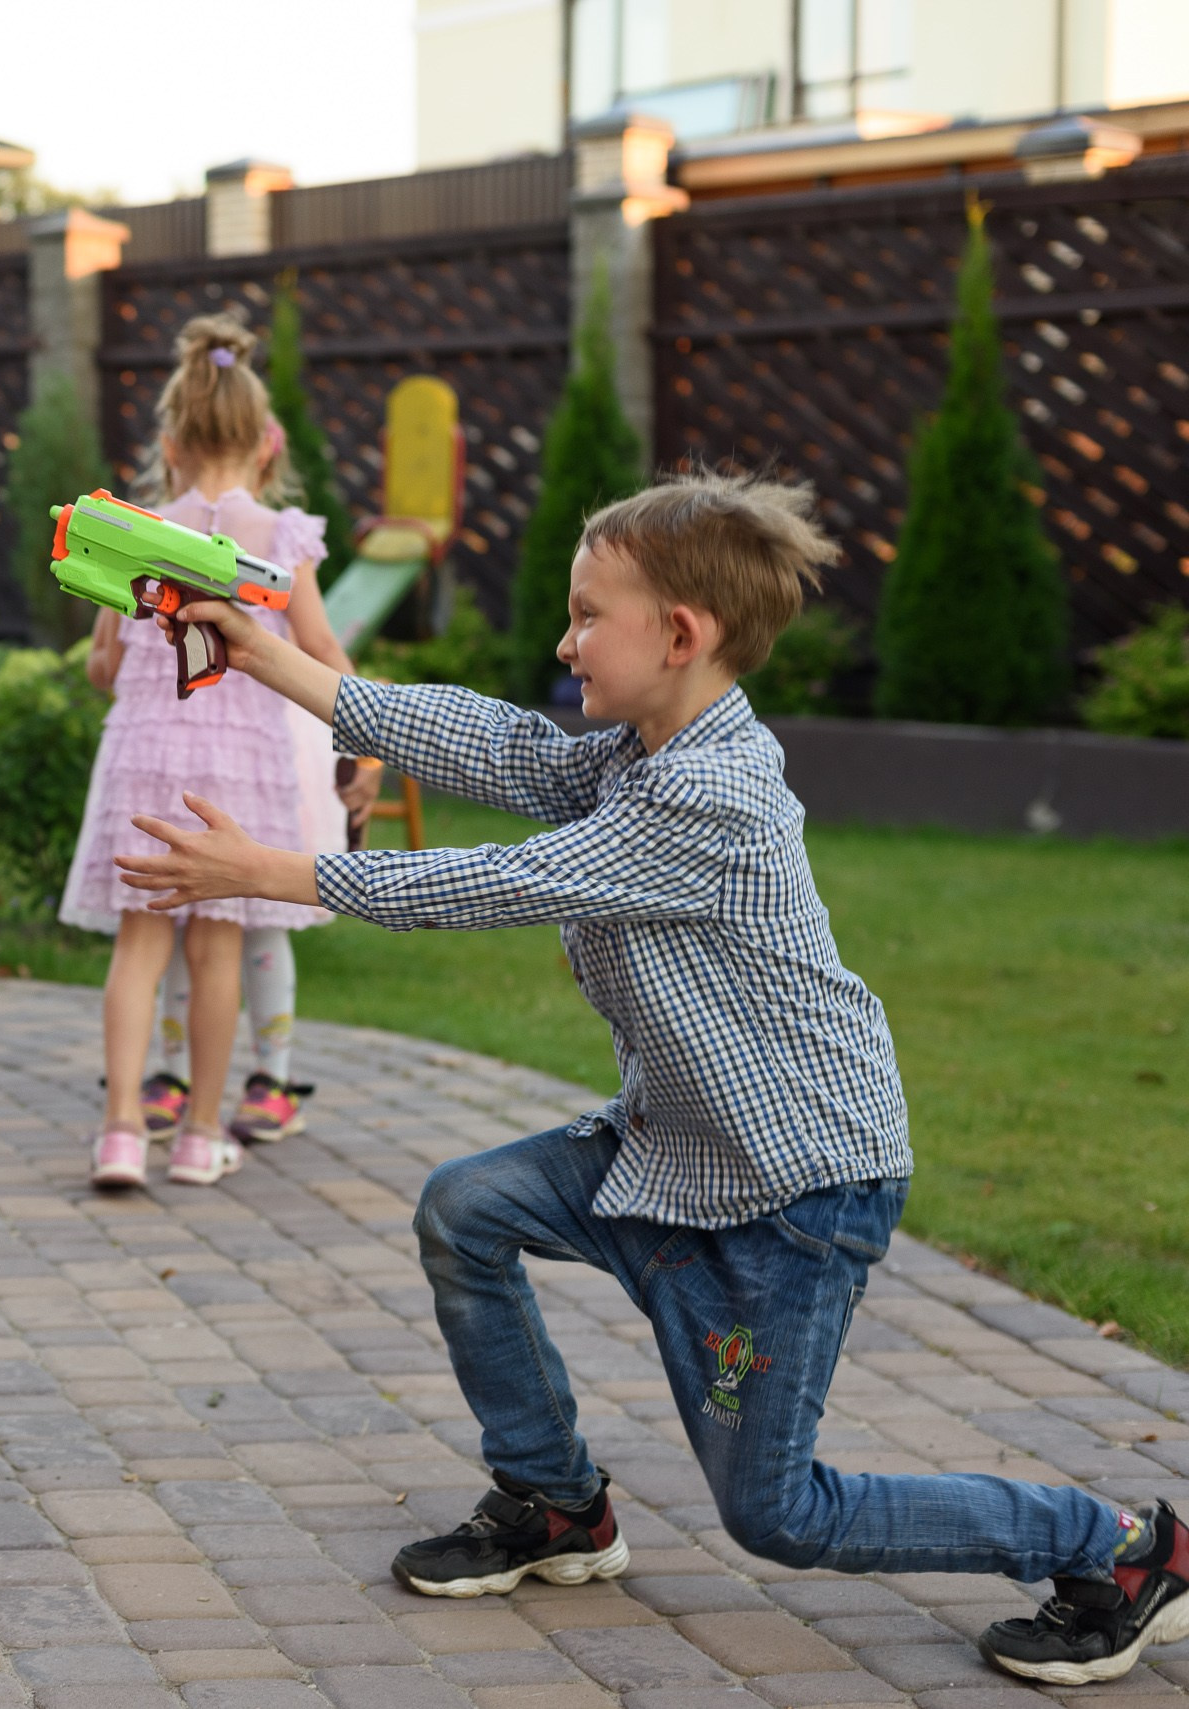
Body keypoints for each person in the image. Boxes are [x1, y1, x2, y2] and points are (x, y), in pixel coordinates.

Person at [112, 469, 1185, 1688]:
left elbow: (504, 881)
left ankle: (1120, 1549)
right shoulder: (637, 750)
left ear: (680, 634)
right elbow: (491, 739)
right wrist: (261, 656)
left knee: (783, 1515)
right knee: (469, 1208)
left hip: (795, 1196)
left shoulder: (708, 794)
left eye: (584, 617)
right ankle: (554, 1500)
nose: (562, 641)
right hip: (674, 1147)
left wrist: (276, 868)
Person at [59, 314, 365, 1187]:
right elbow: (319, 652)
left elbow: (102, 663)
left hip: (147, 755)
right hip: (242, 766)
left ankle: (121, 1131)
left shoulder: (127, 532)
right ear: (265, 444)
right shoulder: (281, 538)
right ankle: (198, 1137)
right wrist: (371, 735)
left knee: (138, 948)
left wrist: (120, 658)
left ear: (170, 442)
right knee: (219, 947)